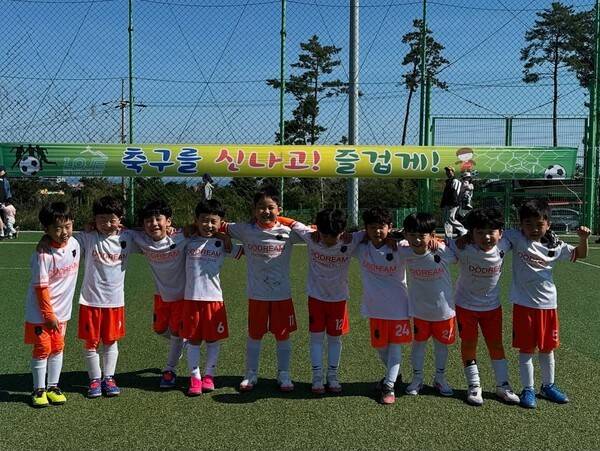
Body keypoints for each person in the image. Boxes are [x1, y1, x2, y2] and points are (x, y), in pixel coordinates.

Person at [502, 199, 590, 408]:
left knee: (547, 349)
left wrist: (583, 239)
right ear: (521, 224)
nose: (534, 229)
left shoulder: (555, 245)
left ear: (548, 224)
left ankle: (548, 386)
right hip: (523, 305)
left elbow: (580, 254)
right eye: (528, 224)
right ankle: (528, 389)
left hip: (548, 305)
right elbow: (494, 234)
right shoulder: (515, 237)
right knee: (526, 350)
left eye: (539, 224)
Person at [223, 185, 303, 392]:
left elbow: (312, 233)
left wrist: (289, 221)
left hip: (281, 294)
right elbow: (217, 225)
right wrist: (222, 236)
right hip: (257, 294)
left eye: (270, 207)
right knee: (254, 335)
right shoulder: (245, 229)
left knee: (282, 335)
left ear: (279, 209)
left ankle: (284, 374)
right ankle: (251, 374)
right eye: (260, 207)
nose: (265, 211)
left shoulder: (288, 232)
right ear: (253, 210)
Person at [284, 209, 363, 394]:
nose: (329, 240)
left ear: (342, 231)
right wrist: (263, 218)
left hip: (339, 300)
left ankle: (333, 376)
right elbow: (291, 222)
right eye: (325, 235)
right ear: (318, 230)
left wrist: (390, 239)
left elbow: (374, 232)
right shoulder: (310, 237)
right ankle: (317, 377)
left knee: (335, 339)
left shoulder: (351, 240)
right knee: (316, 339)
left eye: (334, 236)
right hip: (316, 299)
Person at [451, 208, 519, 406]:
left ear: (500, 232)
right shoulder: (461, 246)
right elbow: (436, 242)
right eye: (480, 232)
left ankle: (503, 386)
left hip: (492, 307)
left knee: (496, 345)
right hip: (465, 306)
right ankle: (474, 385)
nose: (486, 237)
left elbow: (526, 232)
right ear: (471, 233)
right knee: (469, 344)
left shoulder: (506, 243)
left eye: (491, 232)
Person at [76, 196, 136, 398]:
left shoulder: (128, 237)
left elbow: (151, 237)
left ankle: (108, 378)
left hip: (115, 301)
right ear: (94, 219)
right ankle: (94, 379)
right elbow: (65, 240)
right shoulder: (88, 237)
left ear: (120, 219)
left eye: (112, 220)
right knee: (91, 342)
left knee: (110, 341)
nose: (107, 224)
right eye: (102, 219)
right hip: (90, 301)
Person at [181, 199, 243, 396]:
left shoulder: (222, 243)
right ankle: (195, 377)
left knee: (212, 339)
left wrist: (225, 237)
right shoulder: (187, 239)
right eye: (204, 220)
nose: (208, 225)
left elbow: (244, 252)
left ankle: (209, 375)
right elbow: (170, 236)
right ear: (196, 220)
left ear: (220, 223)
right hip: (191, 299)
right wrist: (186, 228)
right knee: (193, 340)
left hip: (214, 300)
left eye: (213, 221)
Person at [353, 207, 411, 404]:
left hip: (398, 307)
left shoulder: (400, 247)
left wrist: (398, 236)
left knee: (395, 347)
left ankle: (389, 386)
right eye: (372, 227)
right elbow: (344, 238)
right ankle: (395, 376)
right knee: (380, 347)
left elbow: (419, 242)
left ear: (390, 227)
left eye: (381, 227)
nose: (377, 231)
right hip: (374, 307)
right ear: (366, 229)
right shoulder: (361, 248)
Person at [25, 202, 80, 407]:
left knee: (58, 347)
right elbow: (41, 287)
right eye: (57, 228)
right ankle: (38, 390)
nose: (64, 232)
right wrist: (48, 314)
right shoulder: (43, 254)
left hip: (62, 312)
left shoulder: (75, 243)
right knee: (42, 348)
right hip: (41, 312)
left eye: (67, 226)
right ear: (46, 230)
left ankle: (53, 387)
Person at [130, 200, 188, 390]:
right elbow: (119, 230)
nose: (154, 223)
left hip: (182, 297)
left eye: (158, 219)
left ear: (168, 221)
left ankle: (170, 370)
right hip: (161, 296)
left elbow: (202, 228)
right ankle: (183, 342)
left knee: (176, 333)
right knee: (160, 329)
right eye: (148, 220)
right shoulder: (141, 240)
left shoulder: (182, 237)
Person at [399, 212, 458, 397]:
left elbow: (456, 256)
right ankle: (417, 379)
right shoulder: (404, 250)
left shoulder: (441, 250)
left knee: (441, 346)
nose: (417, 240)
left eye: (422, 235)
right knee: (418, 344)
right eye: (412, 235)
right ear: (406, 234)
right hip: (419, 311)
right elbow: (390, 240)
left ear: (431, 234)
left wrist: (440, 242)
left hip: (443, 311)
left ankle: (440, 379)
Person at [440, 166, 467, 240]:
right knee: (445, 220)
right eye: (447, 171)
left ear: (453, 172)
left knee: (450, 218)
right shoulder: (448, 181)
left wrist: (453, 203)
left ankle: (463, 230)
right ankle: (448, 237)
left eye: (449, 171)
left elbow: (455, 193)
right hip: (447, 203)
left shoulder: (455, 180)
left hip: (453, 203)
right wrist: (443, 204)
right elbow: (445, 194)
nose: (448, 172)